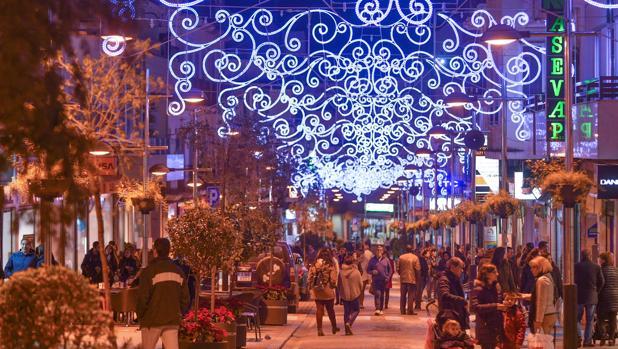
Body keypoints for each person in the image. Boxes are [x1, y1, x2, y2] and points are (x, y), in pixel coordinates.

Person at [137, 238, 190, 349]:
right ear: (169, 251)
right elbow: (185, 298)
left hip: (151, 321)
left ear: (155, 251)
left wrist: (141, 316)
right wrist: (179, 313)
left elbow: (142, 298)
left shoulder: (149, 272)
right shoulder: (178, 271)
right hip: (172, 319)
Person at [470, 263, 507, 349]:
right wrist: (496, 306)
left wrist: (505, 302)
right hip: (485, 327)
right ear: (487, 274)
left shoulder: (495, 287)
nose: (497, 274)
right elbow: (476, 307)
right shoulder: (478, 289)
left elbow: (499, 301)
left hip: (496, 325)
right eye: (495, 272)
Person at [575, 249, 604, 346]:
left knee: (577, 319)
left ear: (581, 255)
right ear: (590, 255)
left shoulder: (576, 266)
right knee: (590, 320)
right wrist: (596, 291)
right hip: (591, 296)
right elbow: (602, 281)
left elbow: (573, 280)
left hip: (579, 296)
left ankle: (578, 338)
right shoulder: (596, 267)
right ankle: (587, 341)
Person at [308, 248, 339, 336]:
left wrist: (311, 288)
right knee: (330, 310)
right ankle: (334, 327)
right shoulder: (330, 265)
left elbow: (309, 277)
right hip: (327, 289)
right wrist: (333, 286)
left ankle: (319, 330)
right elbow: (333, 280)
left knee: (319, 310)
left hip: (317, 290)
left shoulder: (314, 264)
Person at [524, 256, 558, 334]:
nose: (531, 270)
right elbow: (540, 296)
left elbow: (541, 302)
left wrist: (538, 320)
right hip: (549, 314)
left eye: (534, 267)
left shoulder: (541, 280)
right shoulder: (547, 277)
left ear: (540, 267)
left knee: (542, 343)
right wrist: (523, 296)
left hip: (545, 316)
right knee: (546, 341)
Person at [437, 257, 469, 330]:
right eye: (460, 267)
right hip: (450, 317)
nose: (462, 270)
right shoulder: (444, 279)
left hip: (456, 315)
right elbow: (444, 295)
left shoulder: (454, 279)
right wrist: (461, 300)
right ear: (452, 267)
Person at [597, 252, 618, 346]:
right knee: (612, 318)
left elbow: (599, 284)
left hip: (604, 298)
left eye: (600, 259)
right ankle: (611, 339)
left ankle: (603, 335)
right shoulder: (616, 270)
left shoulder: (601, 270)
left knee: (600, 318)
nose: (599, 261)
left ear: (604, 260)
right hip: (615, 297)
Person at [340, 255, 363, 335]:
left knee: (346, 311)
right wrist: (358, 291)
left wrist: (341, 292)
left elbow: (338, 284)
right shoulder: (356, 272)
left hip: (344, 295)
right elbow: (361, 284)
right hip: (354, 294)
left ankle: (346, 330)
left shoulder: (341, 272)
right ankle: (349, 323)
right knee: (356, 310)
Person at [367, 245, 391, 315]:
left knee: (382, 294)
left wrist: (388, 277)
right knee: (377, 294)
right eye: (377, 250)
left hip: (384, 280)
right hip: (376, 280)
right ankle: (377, 308)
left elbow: (390, 270)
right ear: (375, 251)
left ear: (382, 251)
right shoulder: (372, 260)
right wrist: (372, 272)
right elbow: (368, 269)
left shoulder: (386, 260)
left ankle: (381, 308)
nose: (379, 251)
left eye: (380, 250)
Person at [398, 244, 421, 315]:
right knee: (411, 295)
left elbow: (398, 269)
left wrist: (401, 274)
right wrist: (418, 279)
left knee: (403, 295)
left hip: (403, 279)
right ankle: (410, 310)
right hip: (412, 279)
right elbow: (417, 269)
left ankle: (402, 310)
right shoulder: (415, 258)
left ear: (405, 250)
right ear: (412, 250)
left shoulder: (401, 257)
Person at [358, 240, 373, 309]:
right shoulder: (370, 253)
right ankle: (360, 303)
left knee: (359, 290)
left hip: (360, 273)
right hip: (365, 273)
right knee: (362, 290)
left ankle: (359, 303)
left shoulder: (360, 254)